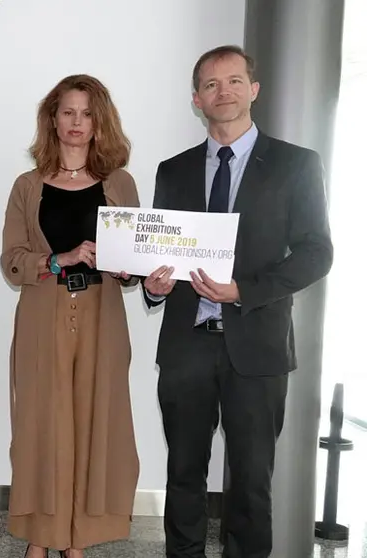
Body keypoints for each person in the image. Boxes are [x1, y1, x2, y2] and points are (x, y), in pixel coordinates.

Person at [142, 45, 333, 558]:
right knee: (183, 474)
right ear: (196, 99)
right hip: (186, 345)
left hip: (258, 345)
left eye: (233, 81)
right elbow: (162, 252)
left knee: (250, 482)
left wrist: (243, 291)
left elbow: (317, 253)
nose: (222, 92)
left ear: (253, 90)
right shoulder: (173, 170)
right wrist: (153, 286)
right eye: (210, 84)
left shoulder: (296, 165)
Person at [0, 74, 141, 558]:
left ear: (100, 121)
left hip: (103, 317)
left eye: (86, 113)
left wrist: (129, 268)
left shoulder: (121, 184)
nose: (76, 123)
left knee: (95, 424)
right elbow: (12, 261)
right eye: (67, 112)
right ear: (52, 120)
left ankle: (78, 538)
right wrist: (58, 258)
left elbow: (134, 266)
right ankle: (43, 535)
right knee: (43, 425)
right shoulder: (27, 185)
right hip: (44, 313)